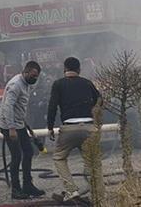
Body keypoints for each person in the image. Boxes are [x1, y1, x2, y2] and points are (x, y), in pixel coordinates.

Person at [47, 57, 102, 202]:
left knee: (59, 157)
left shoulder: (58, 84)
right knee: (93, 161)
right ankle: (98, 193)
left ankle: (71, 191)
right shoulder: (87, 83)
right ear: (79, 70)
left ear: (64, 69)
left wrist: (50, 127)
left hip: (69, 128)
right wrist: (96, 120)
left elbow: (52, 107)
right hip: (89, 127)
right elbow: (100, 100)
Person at [0, 61, 45, 200]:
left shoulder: (26, 84)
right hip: (8, 125)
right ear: (26, 71)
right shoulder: (16, 85)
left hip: (19, 124)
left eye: (37, 76)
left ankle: (28, 185)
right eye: (33, 75)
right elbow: (7, 107)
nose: (34, 78)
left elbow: (19, 107)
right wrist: (11, 128)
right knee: (17, 156)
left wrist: (26, 126)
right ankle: (16, 190)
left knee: (28, 152)